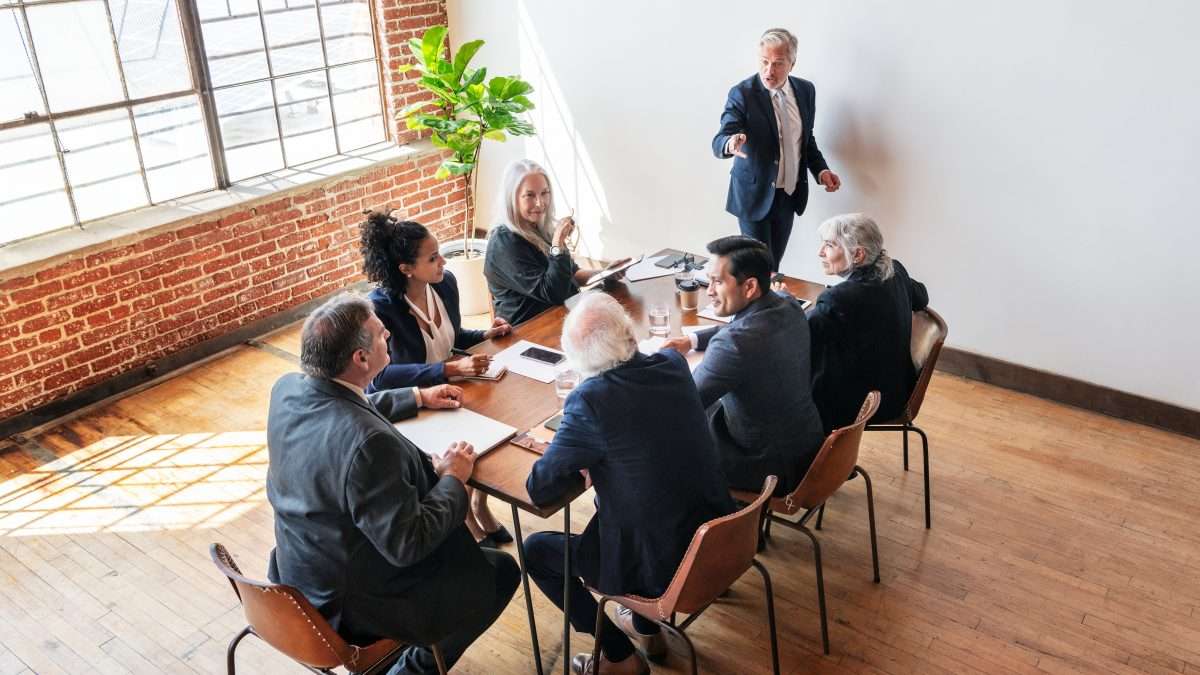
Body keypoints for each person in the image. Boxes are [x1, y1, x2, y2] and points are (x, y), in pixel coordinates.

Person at [266, 293, 519, 675]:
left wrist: (418, 395)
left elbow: (344, 406)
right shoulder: (370, 445)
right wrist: (453, 478)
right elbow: (408, 543)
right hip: (352, 603)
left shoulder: (288, 390)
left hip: (298, 574)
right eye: (383, 335)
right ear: (361, 359)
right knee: (499, 573)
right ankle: (409, 670)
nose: (390, 336)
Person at [524, 293, 735, 675]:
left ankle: (619, 658)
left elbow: (538, 487)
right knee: (642, 500)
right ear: (629, 333)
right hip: (718, 537)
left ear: (579, 360)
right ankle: (643, 625)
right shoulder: (671, 364)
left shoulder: (589, 399)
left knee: (536, 550)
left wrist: (583, 457)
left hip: (663, 565)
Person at [361, 210, 514, 548]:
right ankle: (466, 521)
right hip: (410, 402)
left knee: (489, 430)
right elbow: (380, 377)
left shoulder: (445, 284)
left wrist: (485, 333)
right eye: (433, 258)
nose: (443, 261)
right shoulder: (380, 309)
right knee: (465, 442)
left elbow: (452, 335)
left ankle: (478, 504)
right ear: (406, 269)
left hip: (449, 390)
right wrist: (448, 369)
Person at [663, 235, 824, 496]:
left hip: (765, 466)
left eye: (717, 281)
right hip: (805, 447)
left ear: (749, 287)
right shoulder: (789, 305)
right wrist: (692, 339)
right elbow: (743, 326)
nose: (710, 290)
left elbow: (684, 403)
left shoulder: (734, 344)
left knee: (665, 434)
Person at [712, 27, 842, 271]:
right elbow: (721, 137)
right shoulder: (742, 93)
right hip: (754, 195)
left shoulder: (805, 91)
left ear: (792, 63)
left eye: (778, 63)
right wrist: (731, 143)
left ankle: (766, 307)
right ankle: (754, 309)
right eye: (764, 62)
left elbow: (806, 140)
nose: (769, 71)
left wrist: (821, 171)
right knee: (760, 270)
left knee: (773, 266)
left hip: (788, 194)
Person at [805, 213, 929, 432]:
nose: (820, 252)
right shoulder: (895, 271)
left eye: (830, 245)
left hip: (862, 403)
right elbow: (922, 296)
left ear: (858, 254)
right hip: (897, 390)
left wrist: (785, 302)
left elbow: (801, 335)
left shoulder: (840, 298)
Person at [484, 159, 626, 325]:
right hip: (529, 331)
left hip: (560, 317)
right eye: (530, 195)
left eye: (545, 193)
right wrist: (558, 244)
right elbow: (553, 293)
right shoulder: (504, 242)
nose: (540, 203)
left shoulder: (539, 227)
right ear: (512, 198)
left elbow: (572, 274)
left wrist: (605, 273)